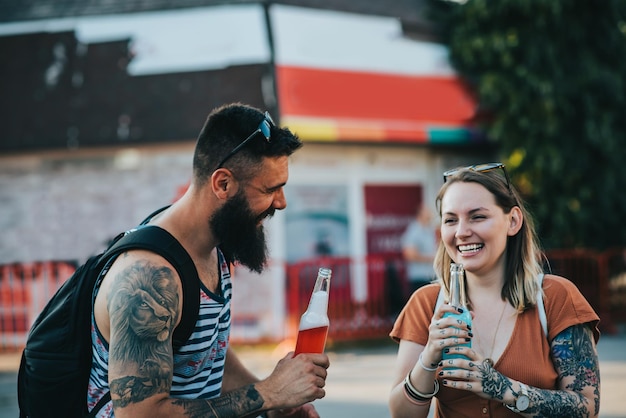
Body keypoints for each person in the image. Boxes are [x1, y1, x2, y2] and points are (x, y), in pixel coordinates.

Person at [90, 103, 330, 418]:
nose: (281, 203)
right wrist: (266, 393)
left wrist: (275, 405)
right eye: (270, 189)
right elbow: (138, 414)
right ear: (223, 184)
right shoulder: (149, 276)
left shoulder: (213, 246)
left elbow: (206, 356)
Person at [388, 162, 600, 418]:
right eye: (450, 220)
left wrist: (501, 387)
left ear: (513, 221)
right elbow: (402, 415)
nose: (462, 232)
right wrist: (428, 357)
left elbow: (585, 409)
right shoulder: (426, 303)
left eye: (477, 217)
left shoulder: (555, 297)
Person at [401, 203, 437, 295]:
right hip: (419, 278)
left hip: (430, 277)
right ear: (421, 214)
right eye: (427, 212)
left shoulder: (429, 230)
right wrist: (433, 258)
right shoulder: (414, 231)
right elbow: (409, 254)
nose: (431, 214)